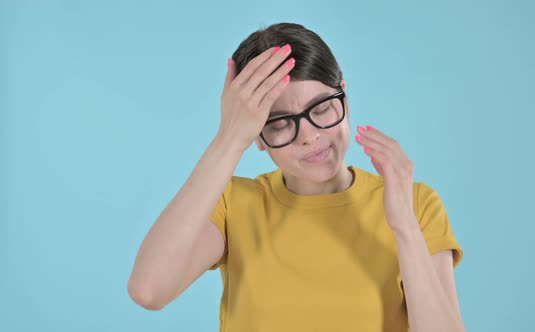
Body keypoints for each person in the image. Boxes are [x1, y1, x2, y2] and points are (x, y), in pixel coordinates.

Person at [128, 22, 465, 332]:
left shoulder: (415, 203)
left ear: (344, 97)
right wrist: (228, 139)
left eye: (321, 108)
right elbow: (149, 290)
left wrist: (404, 226)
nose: (309, 136)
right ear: (257, 137)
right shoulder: (234, 204)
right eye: (279, 123)